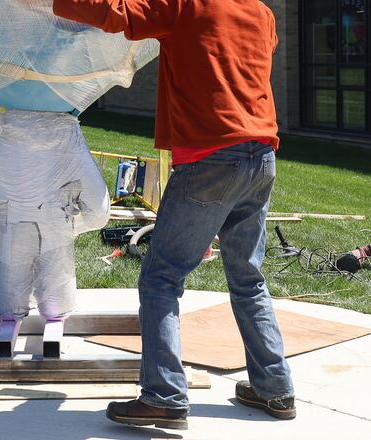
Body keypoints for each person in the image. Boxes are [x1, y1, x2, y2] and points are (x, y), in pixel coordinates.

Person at [53, 0, 295, 430]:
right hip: (260, 157)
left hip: (209, 159)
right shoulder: (262, 13)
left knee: (161, 277)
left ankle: (164, 397)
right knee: (248, 277)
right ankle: (275, 389)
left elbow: (114, 12)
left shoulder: (186, 4)